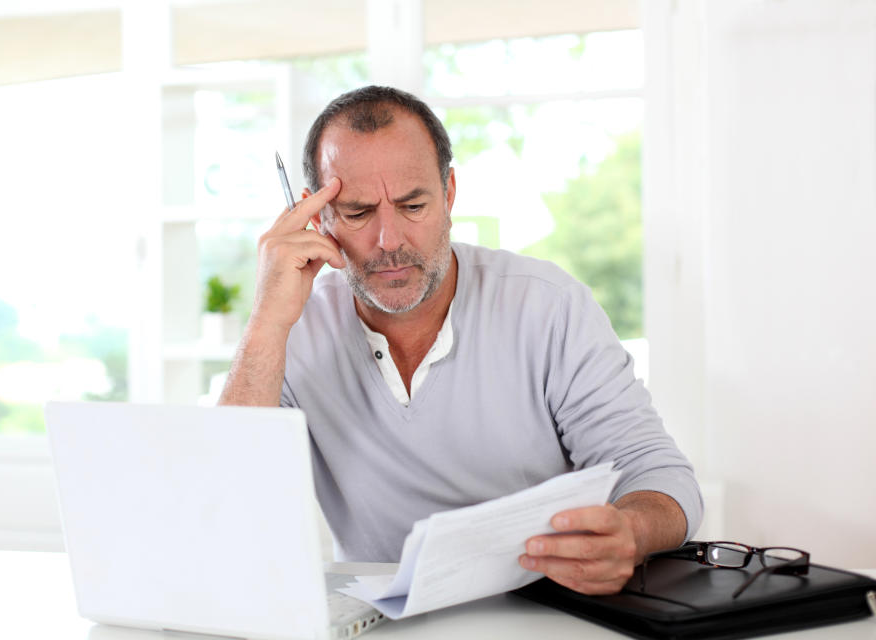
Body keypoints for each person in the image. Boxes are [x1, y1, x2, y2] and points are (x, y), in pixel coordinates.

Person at [219, 85, 702, 596]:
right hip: (381, 625)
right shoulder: (293, 327)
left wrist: (629, 530)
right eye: (359, 212)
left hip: (539, 614)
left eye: (412, 205)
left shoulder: (547, 308)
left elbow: (660, 478)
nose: (390, 241)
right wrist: (267, 323)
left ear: (449, 193)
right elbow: (224, 497)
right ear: (318, 217)